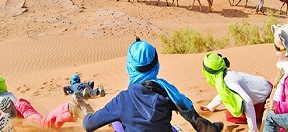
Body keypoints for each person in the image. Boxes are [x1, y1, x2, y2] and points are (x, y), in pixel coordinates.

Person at [83, 38, 224, 132]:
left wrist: (85, 111)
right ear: (156, 65)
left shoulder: (122, 99)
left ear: (130, 67)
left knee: (116, 122)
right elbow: (189, 114)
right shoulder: (167, 93)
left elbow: (89, 125)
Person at [0, 75, 93, 132]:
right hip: (20, 104)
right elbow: (17, 106)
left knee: (7, 120)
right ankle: (69, 107)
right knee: (42, 124)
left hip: (3, 110)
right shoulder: (9, 94)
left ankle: (8, 119)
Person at [201, 53, 272, 132]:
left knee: (231, 115)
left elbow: (247, 101)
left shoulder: (228, 81)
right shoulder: (226, 74)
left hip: (266, 100)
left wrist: (252, 129)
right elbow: (224, 91)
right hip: (266, 85)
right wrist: (211, 106)